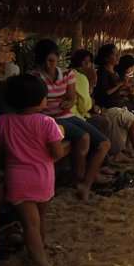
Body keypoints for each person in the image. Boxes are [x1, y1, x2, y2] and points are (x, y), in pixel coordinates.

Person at [0, 74, 65, 266]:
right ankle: (42, 259)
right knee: (40, 219)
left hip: (17, 179)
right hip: (43, 177)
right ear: (39, 99)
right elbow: (58, 153)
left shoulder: (2, 121)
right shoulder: (47, 122)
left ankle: (40, 257)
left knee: (30, 225)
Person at [32, 39, 110, 201]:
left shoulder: (68, 74)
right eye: (45, 61)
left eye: (52, 60)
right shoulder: (35, 77)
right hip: (48, 120)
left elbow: (71, 98)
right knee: (84, 137)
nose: (48, 65)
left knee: (104, 144)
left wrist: (68, 102)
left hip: (67, 115)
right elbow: (35, 105)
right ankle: (81, 180)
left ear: (58, 58)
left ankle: (86, 182)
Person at [93, 44, 134, 162]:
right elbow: (105, 93)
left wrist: (125, 88)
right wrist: (120, 84)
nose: (118, 56)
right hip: (109, 107)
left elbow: (116, 91)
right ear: (107, 58)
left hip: (118, 104)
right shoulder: (102, 73)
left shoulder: (114, 72)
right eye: (115, 54)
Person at [69, 49, 113, 153]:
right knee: (103, 122)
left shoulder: (67, 73)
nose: (92, 66)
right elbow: (85, 107)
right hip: (74, 117)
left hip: (69, 115)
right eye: (90, 63)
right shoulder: (80, 77)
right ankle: (98, 156)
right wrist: (91, 86)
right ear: (84, 63)